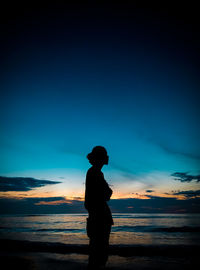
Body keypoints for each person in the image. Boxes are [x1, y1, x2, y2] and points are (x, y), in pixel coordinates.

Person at [84, 146, 113, 269]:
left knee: (97, 253)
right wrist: (108, 192)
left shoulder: (95, 172)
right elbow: (107, 193)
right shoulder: (94, 172)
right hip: (99, 217)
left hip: (98, 217)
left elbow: (106, 193)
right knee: (99, 253)